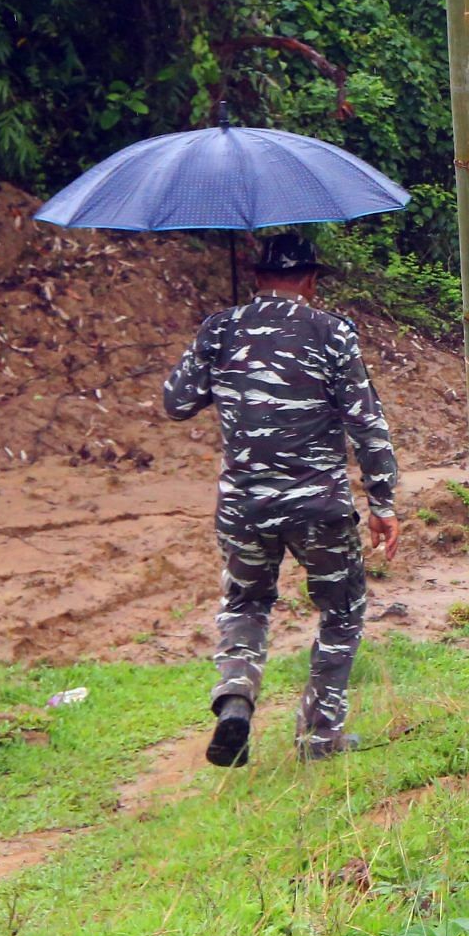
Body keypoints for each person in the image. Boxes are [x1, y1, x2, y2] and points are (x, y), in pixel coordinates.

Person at [160, 231, 399, 768]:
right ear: (311, 280)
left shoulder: (219, 328)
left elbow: (176, 402)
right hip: (319, 507)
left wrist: (215, 352)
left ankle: (237, 698)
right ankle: (319, 738)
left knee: (245, 604)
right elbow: (367, 423)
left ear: (257, 276)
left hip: (243, 506)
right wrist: (382, 502)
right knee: (341, 611)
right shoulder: (333, 332)